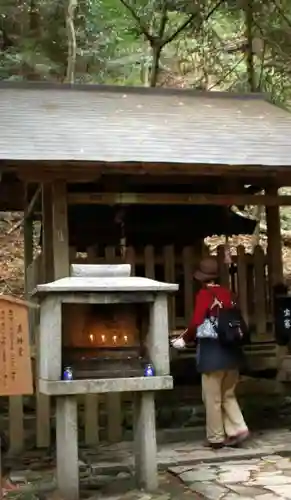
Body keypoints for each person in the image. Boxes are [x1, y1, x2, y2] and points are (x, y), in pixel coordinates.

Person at [173, 257, 249, 449]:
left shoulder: (205, 295)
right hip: (233, 353)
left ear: (200, 278)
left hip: (212, 354)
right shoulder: (229, 294)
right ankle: (238, 428)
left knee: (212, 398)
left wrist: (184, 339)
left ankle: (216, 438)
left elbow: (197, 321)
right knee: (228, 394)